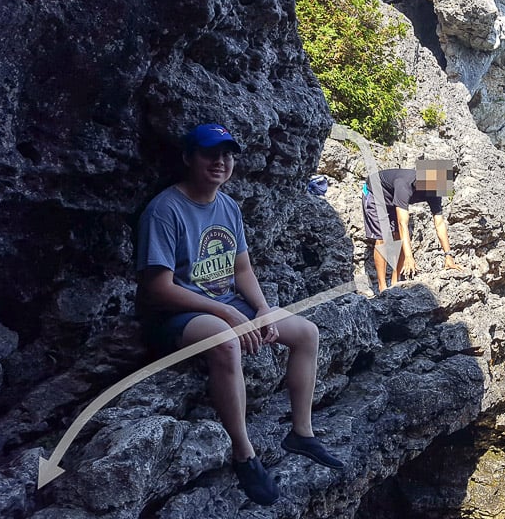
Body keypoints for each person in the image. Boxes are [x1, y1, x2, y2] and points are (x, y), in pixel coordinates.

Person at [135, 124, 342, 507]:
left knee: (306, 332)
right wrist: (228, 312)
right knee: (227, 344)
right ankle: (244, 454)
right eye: (210, 154)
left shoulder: (227, 206)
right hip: (178, 314)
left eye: (227, 155)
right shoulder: (164, 210)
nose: (220, 162)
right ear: (188, 158)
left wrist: (261, 310)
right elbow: (158, 288)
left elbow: (242, 269)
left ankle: (302, 432)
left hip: (229, 303)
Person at [363, 159, 462, 293]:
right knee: (383, 238)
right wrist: (409, 257)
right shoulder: (404, 184)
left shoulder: (435, 189)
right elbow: (402, 223)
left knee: (403, 237)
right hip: (375, 194)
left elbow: (439, 223)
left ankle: (395, 282)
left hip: (393, 197)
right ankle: (382, 288)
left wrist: (448, 255)